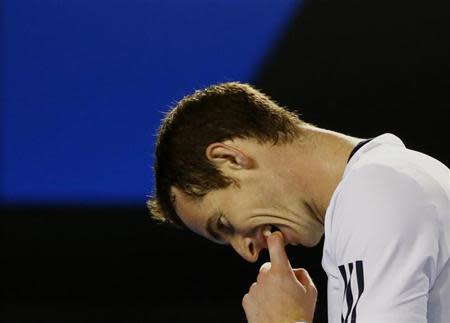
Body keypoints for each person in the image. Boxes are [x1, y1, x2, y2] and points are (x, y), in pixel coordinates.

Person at [148, 82, 450, 323]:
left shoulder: (374, 193)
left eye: (224, 225)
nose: (247, 252)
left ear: (229, 159)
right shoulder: (395, 176)